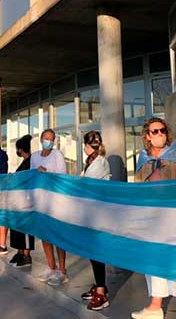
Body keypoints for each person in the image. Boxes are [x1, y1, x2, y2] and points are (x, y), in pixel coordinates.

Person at [131, 118, 176, 319]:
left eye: (162, 130)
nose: (159, 134)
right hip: (153, 218)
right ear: (147, 135)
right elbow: (138, 186)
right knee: (155, 260)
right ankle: (155, 306)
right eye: (154, 131)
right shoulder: (143, 157)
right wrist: (150, 177)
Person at [31, 129, 69, 286]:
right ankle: (51, 267)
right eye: (46, 138)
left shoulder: (57, 155)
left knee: (57, 236)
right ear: (41, 139)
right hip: (41, 201)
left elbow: (62, 176)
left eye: (51, 139)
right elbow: (31, 175)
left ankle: (62, 270)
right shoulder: (34, 156)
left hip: (55, 201)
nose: (49, 141)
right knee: (45, 236)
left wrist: (46, 172)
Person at [80, 131, 111, 311]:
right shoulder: (92, 161)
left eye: (85, 144)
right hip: (90, 212)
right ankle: (99, 285)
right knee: (92, 252)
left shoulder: (100, 163)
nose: (84, 148)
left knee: (96, 252)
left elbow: (86, 185)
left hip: (98, 214)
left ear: (89, 145)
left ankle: (102, 292)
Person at [8, 134, 35, 268]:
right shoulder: (25, 162)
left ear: (20, 149)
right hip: (18, 201)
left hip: (26, 201)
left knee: (25, 229)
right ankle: (19, 251)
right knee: (17, 228)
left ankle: (26, 255)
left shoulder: (31, 161)